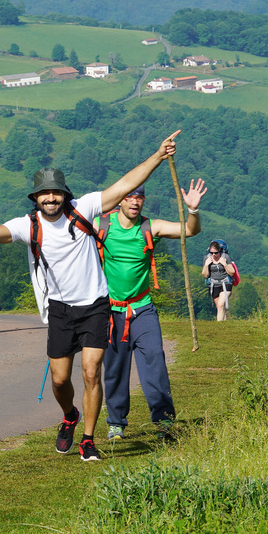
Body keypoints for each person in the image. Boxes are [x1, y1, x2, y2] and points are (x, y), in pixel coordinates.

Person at [0, 131, 181, 463]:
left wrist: (158, 156)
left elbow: (125, 184)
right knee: (59, 380)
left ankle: (88, 439)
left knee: (90, 371)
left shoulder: (83, 209)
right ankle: (70, 415)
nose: (51, 198)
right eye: (45, 194)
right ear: (35, 199)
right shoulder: (28, 226)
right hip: (60, 310)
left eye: (56, 193)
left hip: (96, 305)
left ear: (64, 194)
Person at [99, 178, 204, 441]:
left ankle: (164, 421)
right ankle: (116, 423)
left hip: (142, 309)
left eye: (140, 197)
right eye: (130, 196)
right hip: (110, 311)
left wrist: (192, 210)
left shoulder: (150, 227)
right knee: (115, 367)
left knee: (155, 360)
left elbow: (189, 231)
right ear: (120, 199)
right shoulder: (101, 225)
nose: (135, 201)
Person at [202, 240, 239, 321]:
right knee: (220, 308)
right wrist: (206, 265)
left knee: (221, 305)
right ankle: (224, 326)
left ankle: (218, 325)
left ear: (220, 251)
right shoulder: (207, 258)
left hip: (226, 283)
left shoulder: (225, 257)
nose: (214, 255)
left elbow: (232, 272)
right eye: (212, 253)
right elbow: (205, 275)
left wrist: (224, 264)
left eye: (216, 253)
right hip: (213, 284)